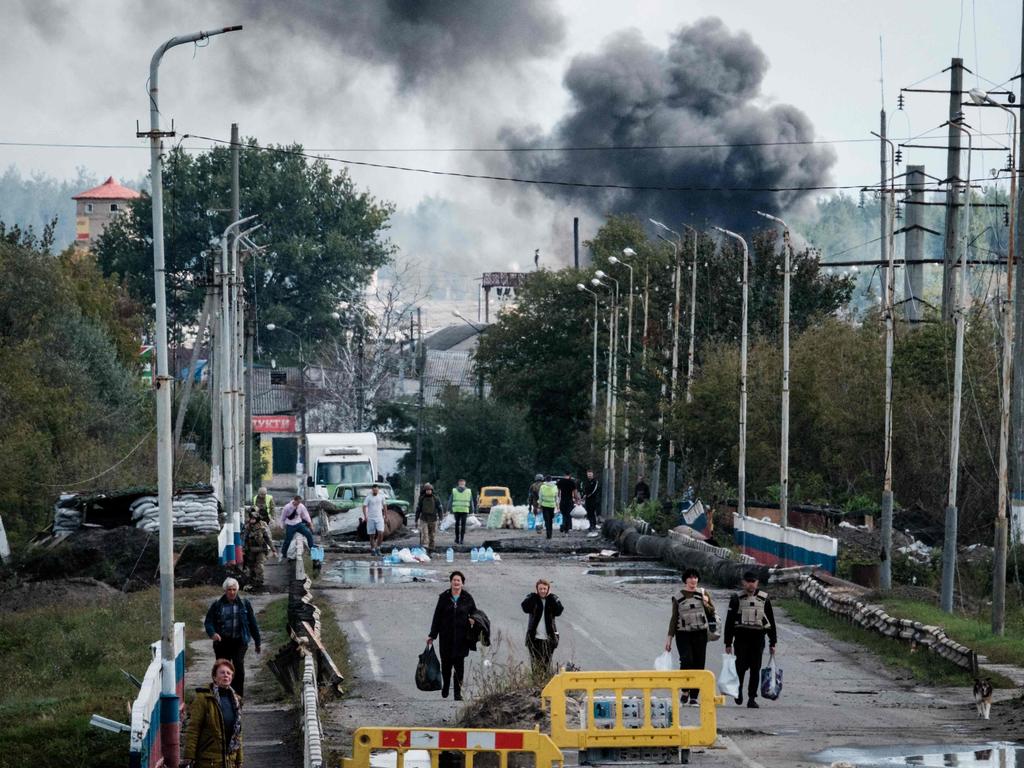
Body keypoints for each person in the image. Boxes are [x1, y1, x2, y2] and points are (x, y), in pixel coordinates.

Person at [724, 571, 777, 709]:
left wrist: (773, 642)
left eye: (753, 581)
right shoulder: (736, 598)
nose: (751, 584)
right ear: (743, 583)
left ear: (757, 583)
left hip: (758, 639)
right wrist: (728, 642)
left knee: (755, 669)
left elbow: (770, 621)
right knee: (740, 668)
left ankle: (752, 698)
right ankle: (738, 692)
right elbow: (729, 622)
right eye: (748, 581)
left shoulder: (764, 599)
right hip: (741, 639)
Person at [665, 568, 717, 705]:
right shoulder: (678, 596)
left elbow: (712, 612)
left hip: (700, 633)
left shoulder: (703, 593)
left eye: (695, 577)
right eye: (690, 577)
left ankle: (694, 696)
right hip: (683, 633)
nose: (693, 580)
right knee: (686, 660)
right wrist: (669, 638)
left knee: (699, 663)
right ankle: (685, 690)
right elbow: (674, 618)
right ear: (685, 580)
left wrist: (706, 602)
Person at [203, 578, 261, 698]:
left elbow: (252, 623)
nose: (232, 592)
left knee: (238, 667)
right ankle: (221, 696)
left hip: (239, 641)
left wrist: (257, 642)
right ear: (225, 590)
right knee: (222, 668)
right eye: (229, 590)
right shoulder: (217, 605)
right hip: (222, 642)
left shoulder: (244, 604)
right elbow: (208, 622)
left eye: (234, 590)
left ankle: (237, 697)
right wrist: (213, 633)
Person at [182, 658, 243, 768]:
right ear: (214, 677)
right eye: (222, 672)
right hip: (208, 761)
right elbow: (194, 728)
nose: (226, 675)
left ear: (232, 677)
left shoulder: (236, 701)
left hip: (230, 761)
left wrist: (239, 760)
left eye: (229, 673)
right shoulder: (204, 698)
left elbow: (237, 733)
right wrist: (189, 756)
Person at [427, 570, 477, 700]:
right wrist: (432, 635)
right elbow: (437, 617)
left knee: (459, 667)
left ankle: (457, 693)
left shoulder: (467, 598)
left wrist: (473, 620)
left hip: (462, 638)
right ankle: (446, 685)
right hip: (446, 638)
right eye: (454, 580)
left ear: (462, 583)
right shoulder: (444, 597)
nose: (456, 582)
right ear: (450, 582)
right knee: (446, 665)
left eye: (458, 580)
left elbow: (475, 613)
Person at [522, 578, 564, 675]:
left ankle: (544, 685)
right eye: (540, 589)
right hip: (534, 639)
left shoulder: (553, 598)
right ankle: (536, 685)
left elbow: (559, 611)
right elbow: (525, 608)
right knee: (535, 665)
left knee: (546, 665)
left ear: (548, 589)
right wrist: (534, 596)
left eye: (545, 589)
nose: (542, 591)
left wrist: (550, 597)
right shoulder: (532, 597)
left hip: (549, 639)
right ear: (537, 589)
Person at [243, 508, 275, 590]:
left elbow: (267, 538)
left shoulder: (262, 527)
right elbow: (244, 538)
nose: (252, 520)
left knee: (259, 566)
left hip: (261, 550)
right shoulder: (247, 527)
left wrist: (273, 549)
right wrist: (243, 549)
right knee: (251, 566)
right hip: (250, 550)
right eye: (251, 518)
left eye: (253, 519)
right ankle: (252, 581)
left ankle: (260, 581)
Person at [447, 479, 476, 545]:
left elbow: (450, 500)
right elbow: (471, 502)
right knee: (463, 525)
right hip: (465, 510)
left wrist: (448, 509)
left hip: (456, 510)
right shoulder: (468, 491)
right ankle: (462, 539)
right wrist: (472, 511)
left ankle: (457, 539)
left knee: (457, 525)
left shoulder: (454, 490)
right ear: (464, 484)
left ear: (458, 484)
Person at [415, 482, 440, 550]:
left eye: (430, 490)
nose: (428, 491)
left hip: (433, 519)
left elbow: (440, 508)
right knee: (425, 535)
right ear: (425, 491)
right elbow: (418, 510)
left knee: (432, 536)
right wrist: (416, 520)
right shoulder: (422, 499)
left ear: (432, 490)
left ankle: (431, 549)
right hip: (424, 519)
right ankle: (425, 549)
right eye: (427, 490)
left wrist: (441, 518)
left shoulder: (436, 498)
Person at [363, 484, 387, 555]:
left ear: (378, 490)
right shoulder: (368, 497)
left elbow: (385, 506)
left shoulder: (381, 496)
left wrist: (386, 515)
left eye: (376, 490)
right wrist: (365, 516)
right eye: (374, 490)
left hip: (379, 517)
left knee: (381, 533)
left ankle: (378, 548)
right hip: (370, 518)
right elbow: (364, 506)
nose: (375, 491)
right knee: (372, 535)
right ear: (372, 490)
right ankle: (373, 549)